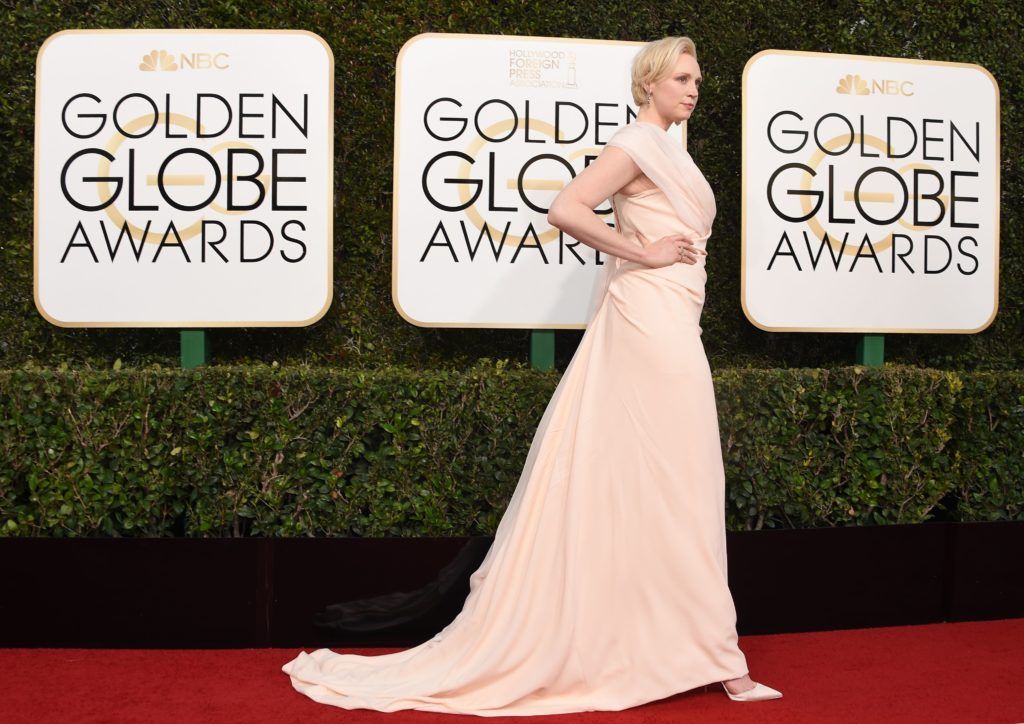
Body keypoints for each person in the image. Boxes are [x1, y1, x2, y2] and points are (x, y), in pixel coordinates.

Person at [281, 35, 783, 714]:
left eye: (698, 79)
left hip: (672, 317)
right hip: (648, 321)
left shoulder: (671, 148)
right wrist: (643, 250)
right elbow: (566, 209)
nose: (694, 89)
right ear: (651, 85)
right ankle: (712, 654)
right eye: (683, 79)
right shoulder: (634, 145)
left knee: (673, 479)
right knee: (675, 476)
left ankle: (680, 642)